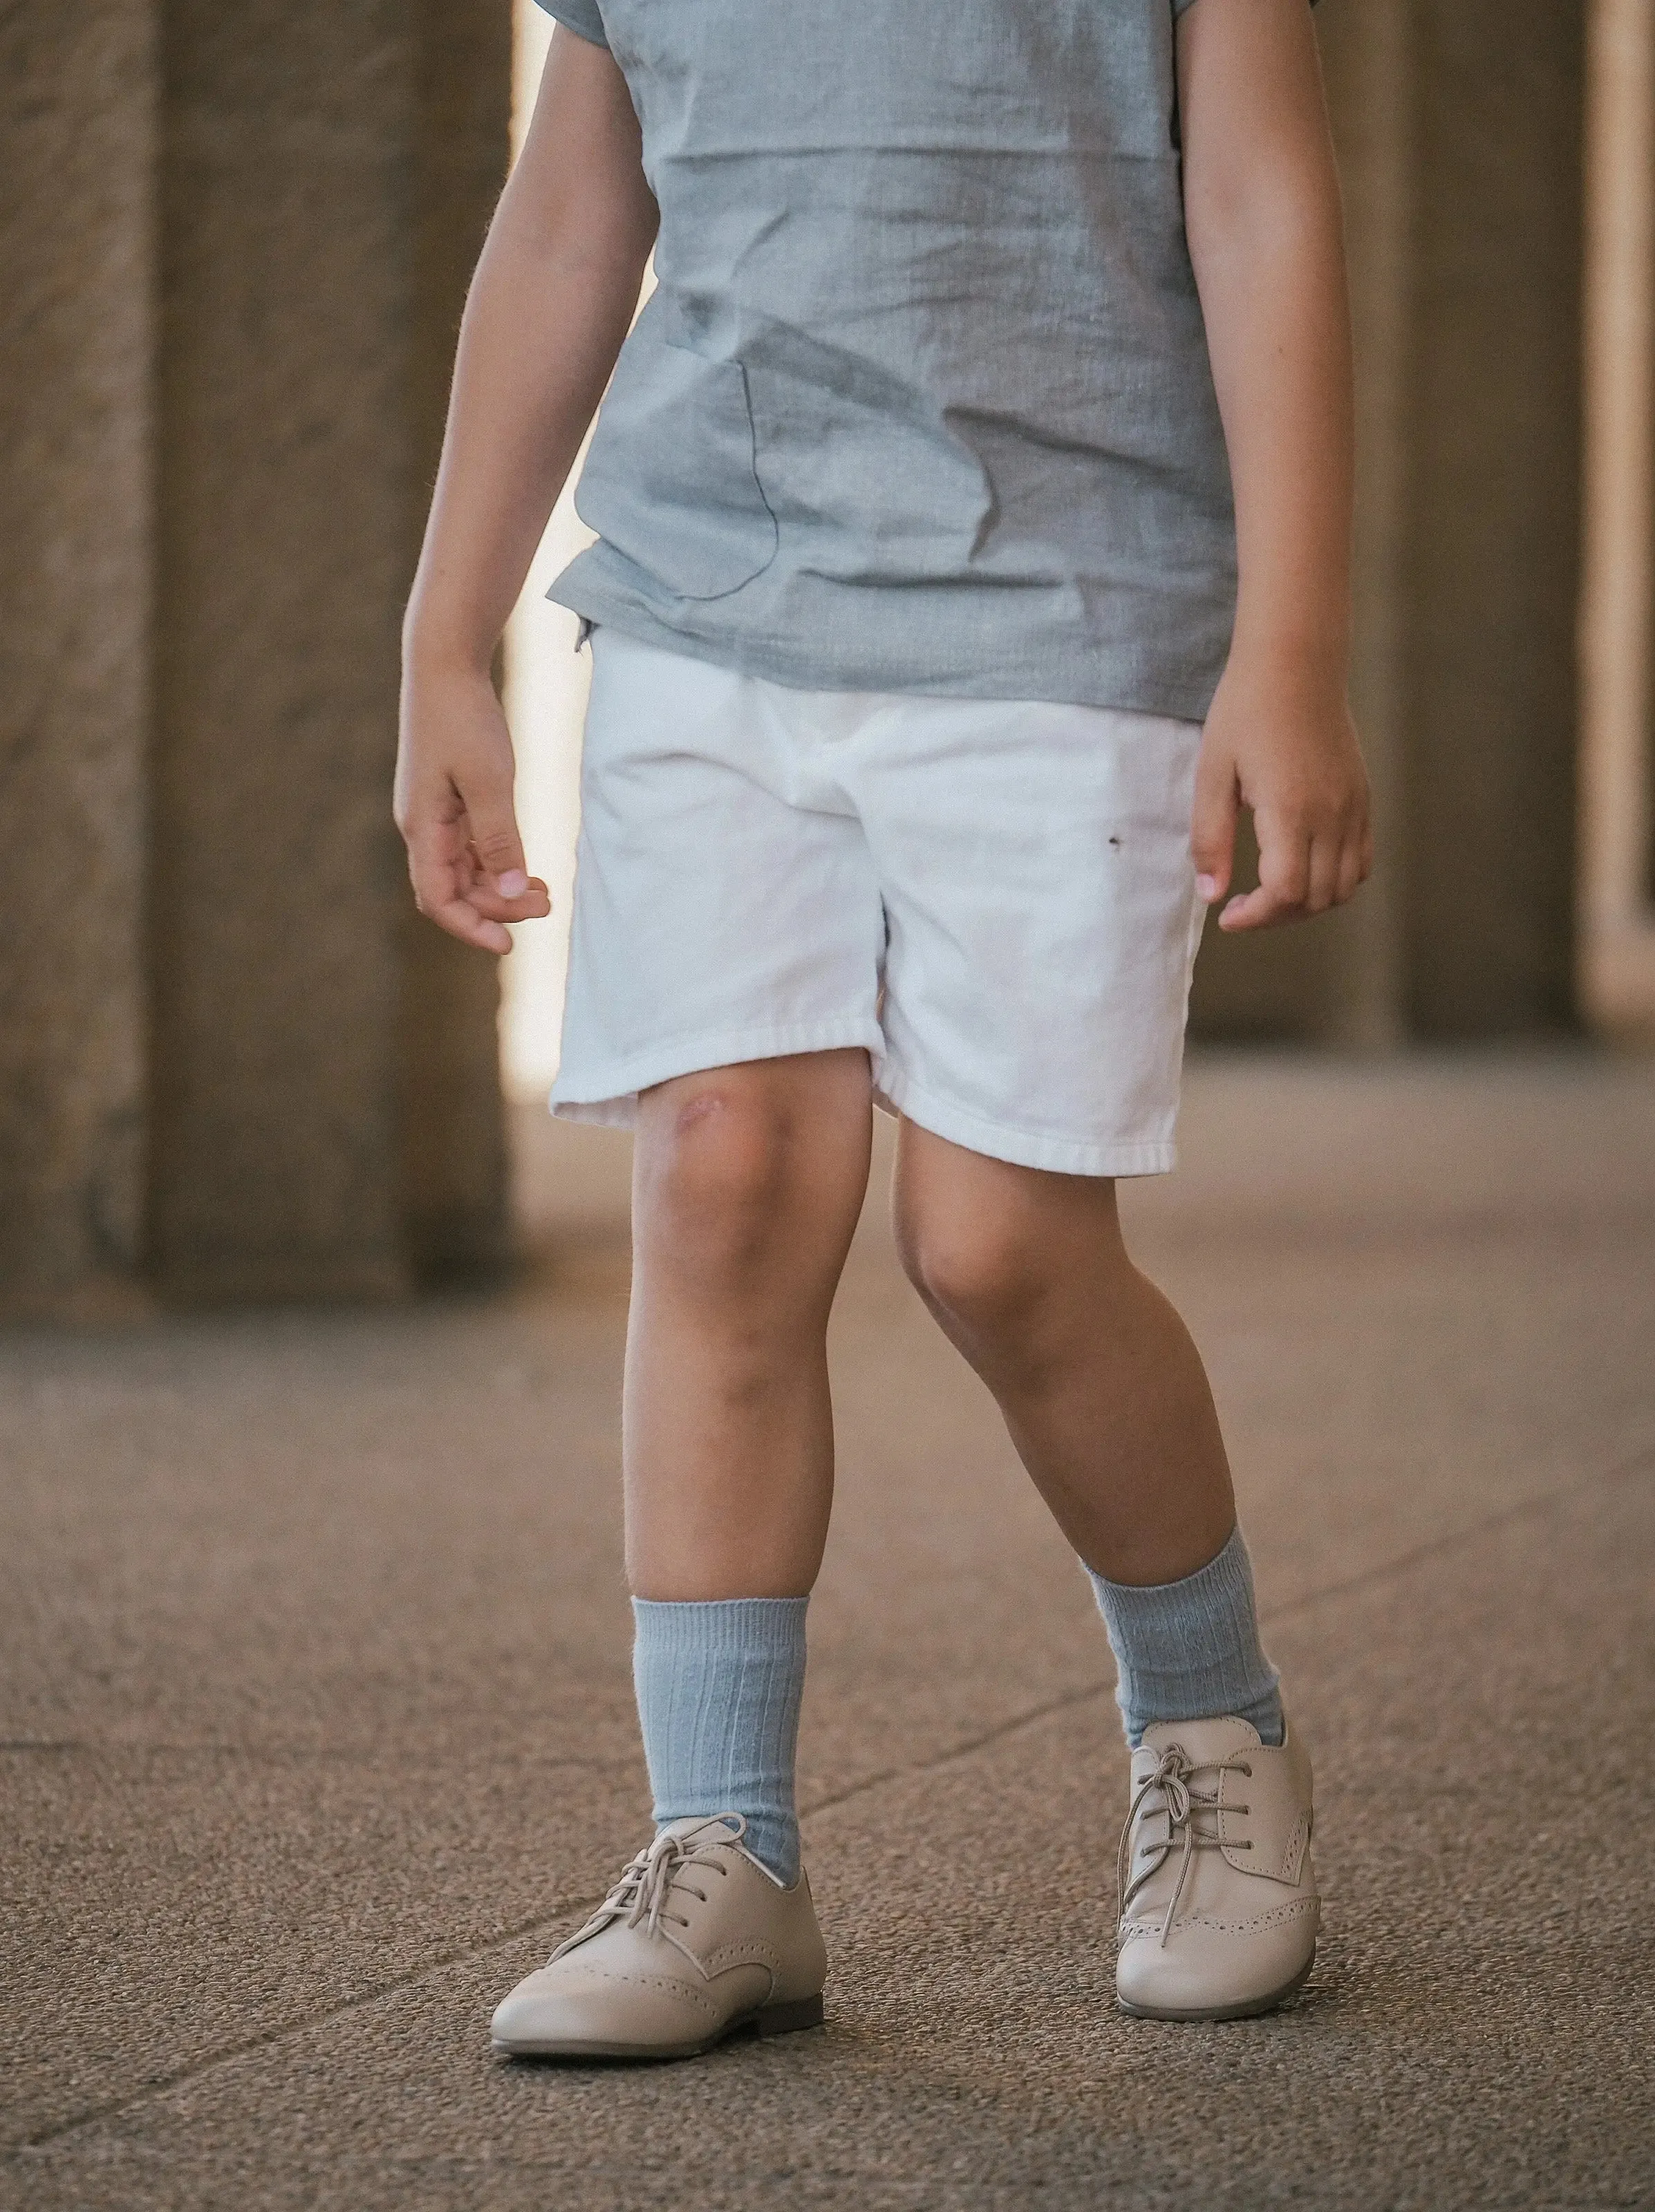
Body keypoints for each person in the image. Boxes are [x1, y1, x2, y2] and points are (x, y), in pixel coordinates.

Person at [395, 0, 1370, 2054]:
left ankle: (1212, 1738)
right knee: (722, 1182)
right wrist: (445, 635)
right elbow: (572, 222)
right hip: (711, 607)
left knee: (1003, 1249)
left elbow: (1262, 191)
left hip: (1072, 609)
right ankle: (722, 1852)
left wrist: (1287, 644)